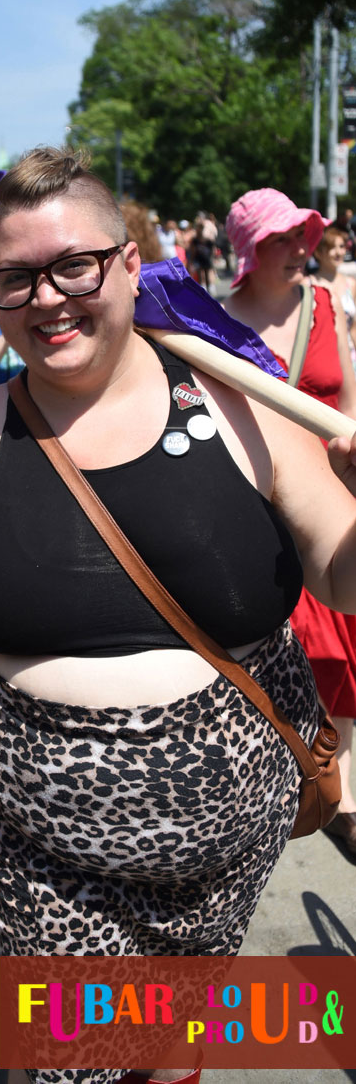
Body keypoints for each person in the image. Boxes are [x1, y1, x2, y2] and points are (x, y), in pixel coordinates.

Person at [0, 148, 356, 1084]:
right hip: (47, 848)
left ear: (131, 265)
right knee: (70, 1059)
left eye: (74, 266)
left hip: (230, 840)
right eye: (15, 278)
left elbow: (341, 574)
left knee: (176, 1032)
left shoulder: (238, 404)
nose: (47, 298)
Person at [223, 188, 356, 854]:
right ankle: (325, 791)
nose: (304, 249)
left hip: (336, 500)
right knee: (300, 660)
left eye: (305, 235)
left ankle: (337, 786)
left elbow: (350, 402)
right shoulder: (215, 327)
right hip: (269, 517)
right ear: (250, 252)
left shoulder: (325, 305)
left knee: (346, 657)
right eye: (285, 239)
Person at [315, 224, 356, 367]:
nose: (338, 252)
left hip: (350, 361)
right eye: (332, 247)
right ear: (318, 252)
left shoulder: (351, 285)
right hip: (321, 360)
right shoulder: (308, 285)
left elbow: (353, 329)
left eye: (342, 246)